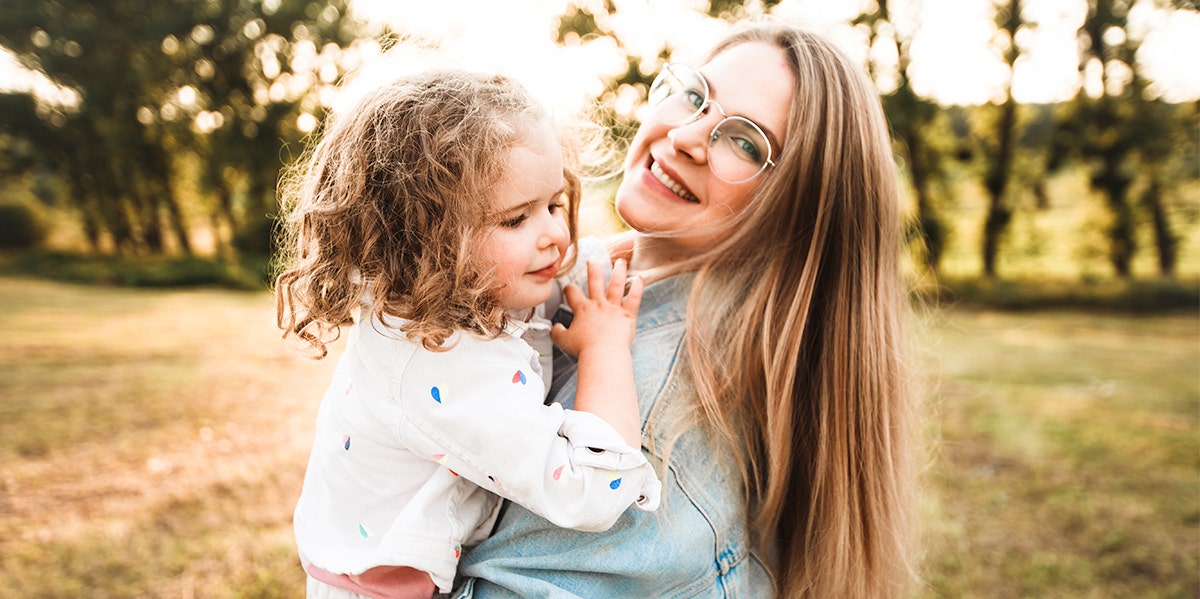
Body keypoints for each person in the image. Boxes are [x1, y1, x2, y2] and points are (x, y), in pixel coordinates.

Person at [455, 21, 919, 598]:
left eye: (744, 142)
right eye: (693, 96)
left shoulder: (642, 408)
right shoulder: (596, 287)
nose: (686, 137)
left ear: (796, 214)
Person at [273, 70, 662, 599]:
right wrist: (605, 347)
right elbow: (593, 491)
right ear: (424, 241)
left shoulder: (462, 291)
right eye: (514, 220)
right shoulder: (443, 361)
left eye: (552, 205)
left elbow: (583, 267)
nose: (554, 232)